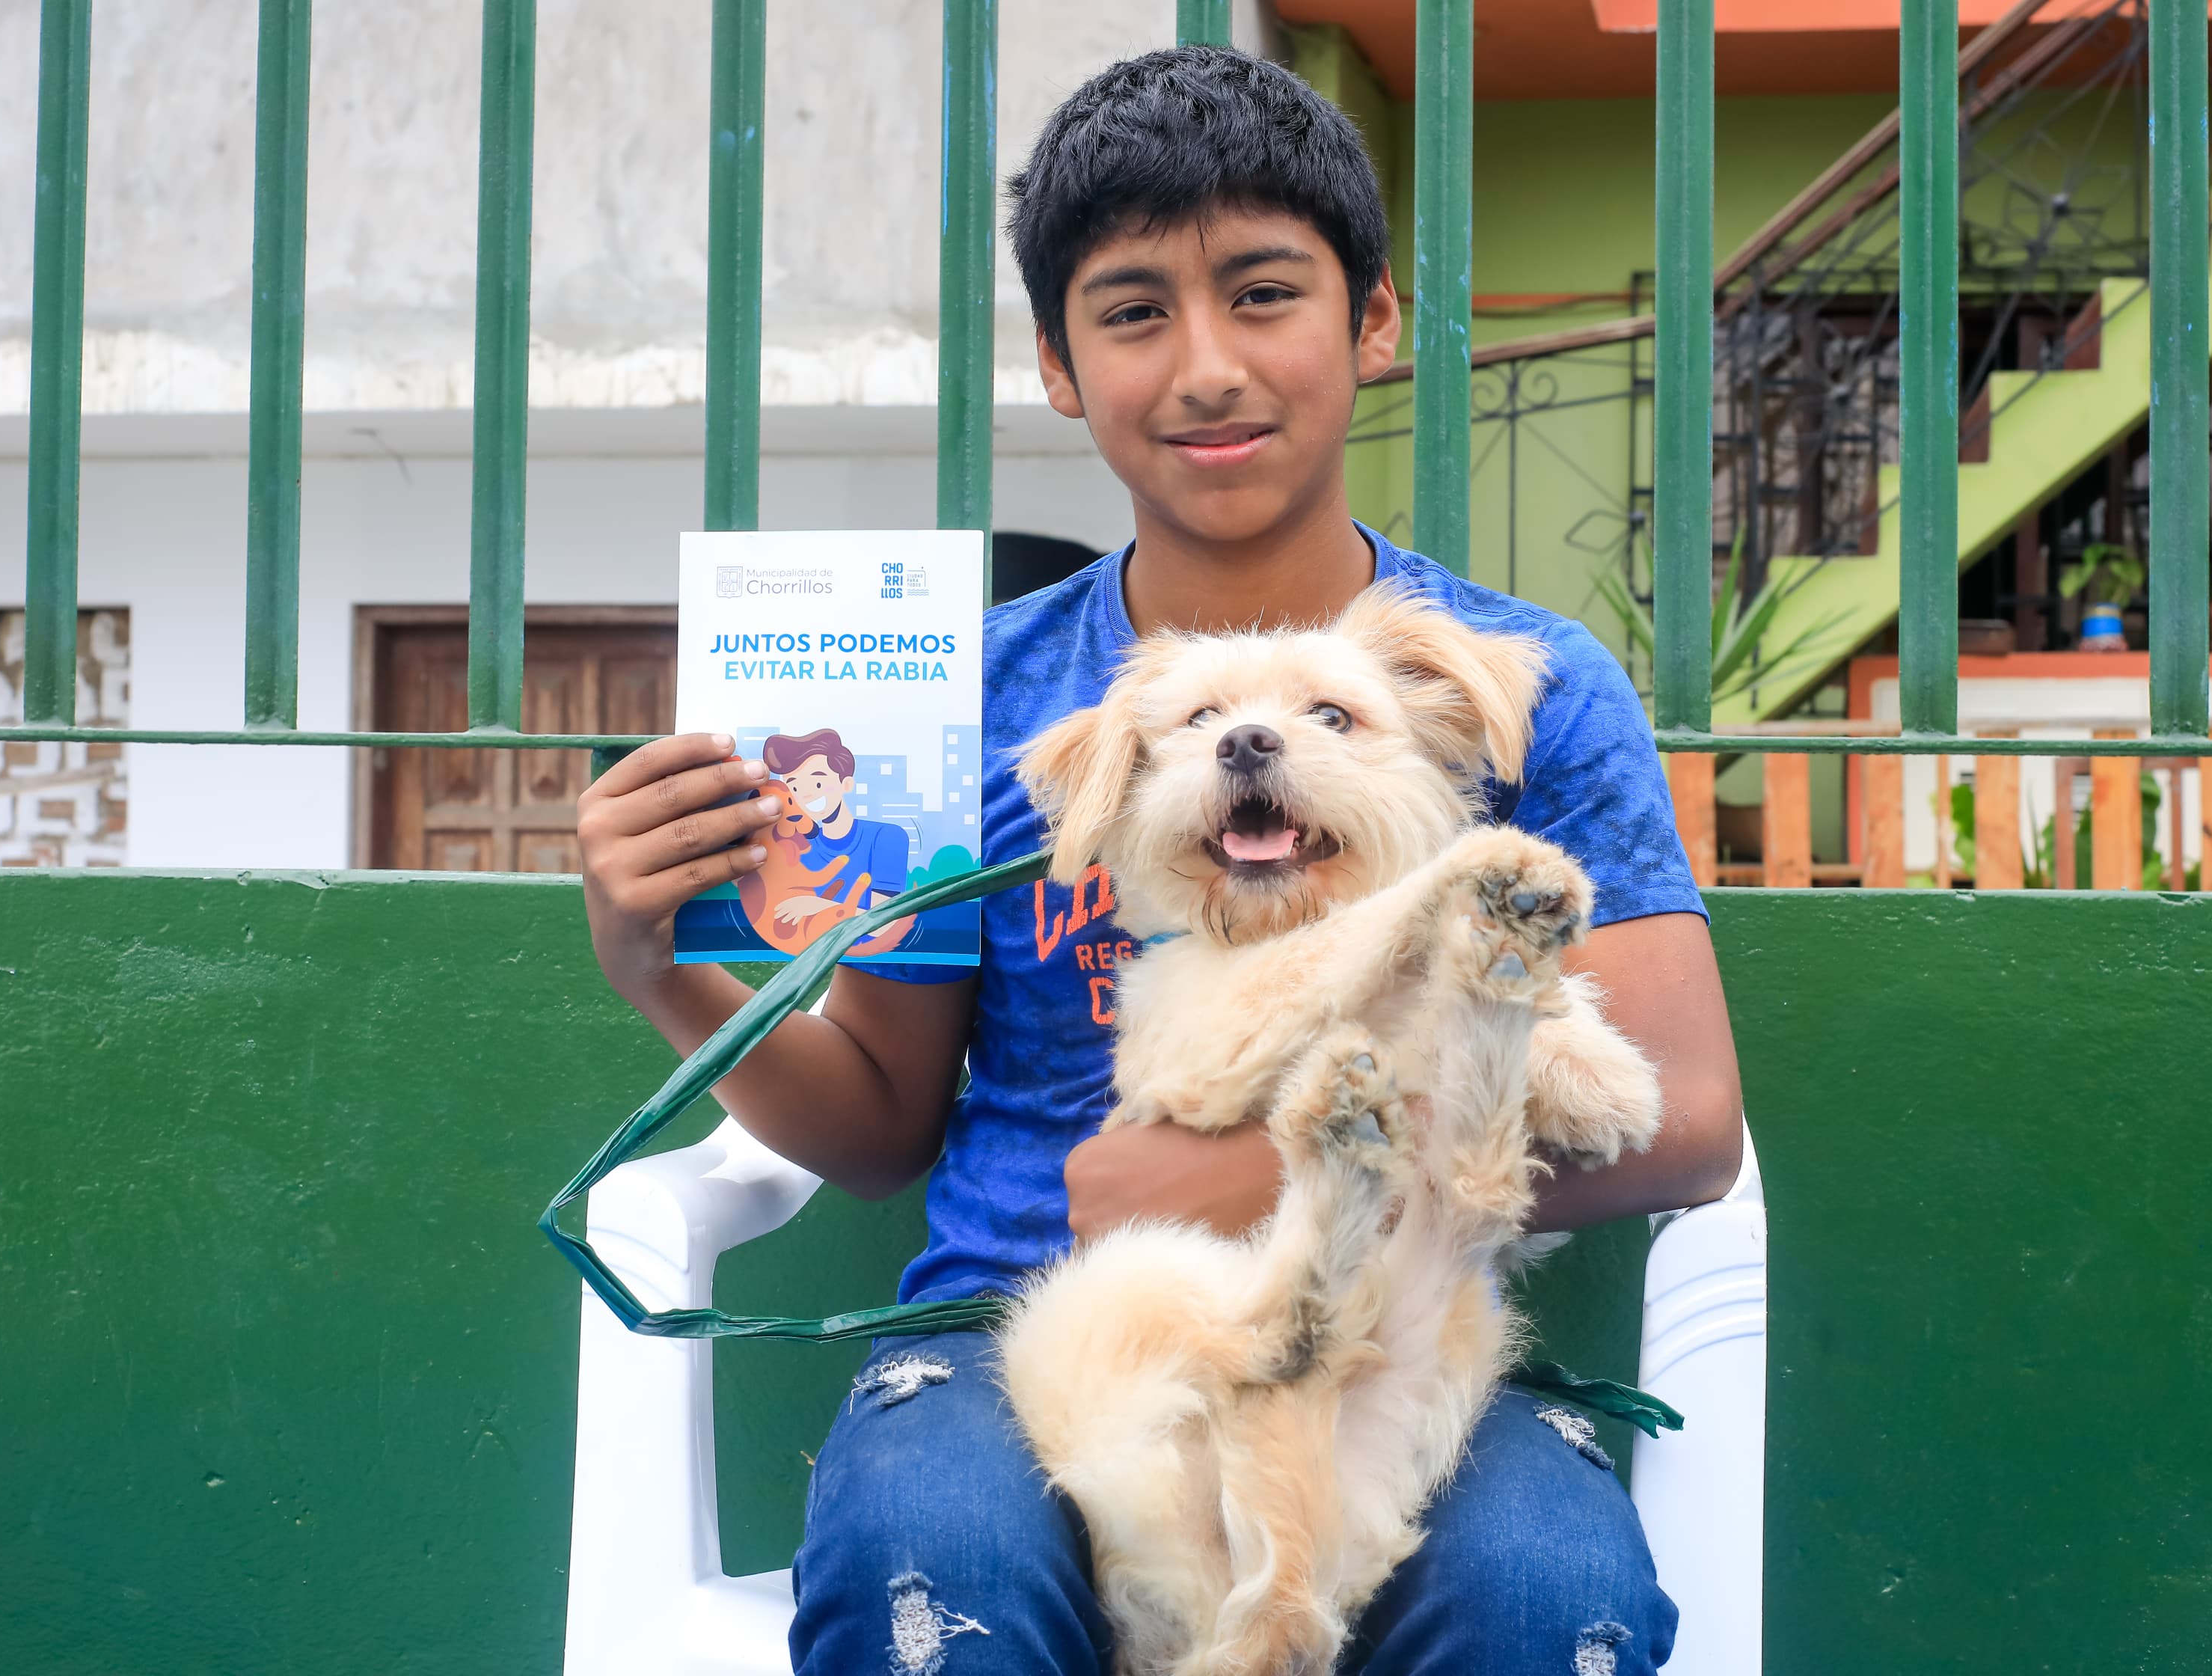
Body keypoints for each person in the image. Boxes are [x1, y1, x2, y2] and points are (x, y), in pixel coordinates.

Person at [577, 45, 1742, 1675]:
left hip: (1404, 1333)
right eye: (1134, 312)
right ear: (1059, 364)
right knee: (930, 1570)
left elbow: (1681, 1120)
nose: (1206, 365)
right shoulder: (971, 699)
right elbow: (877, 1130)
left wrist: (1247, 1173)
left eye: (1265, 293)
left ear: (1375, 319)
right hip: (1022, 1327)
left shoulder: (1515, 681)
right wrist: (664, 966)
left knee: (1547, 1599)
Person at [757, 727, 910, 935]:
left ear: (846, 784)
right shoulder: (800, 848)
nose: (807, 795)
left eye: (818, 782)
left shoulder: (887, 838)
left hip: (874, 957)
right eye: (794, 788)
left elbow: (883, 922)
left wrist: (818, 907)